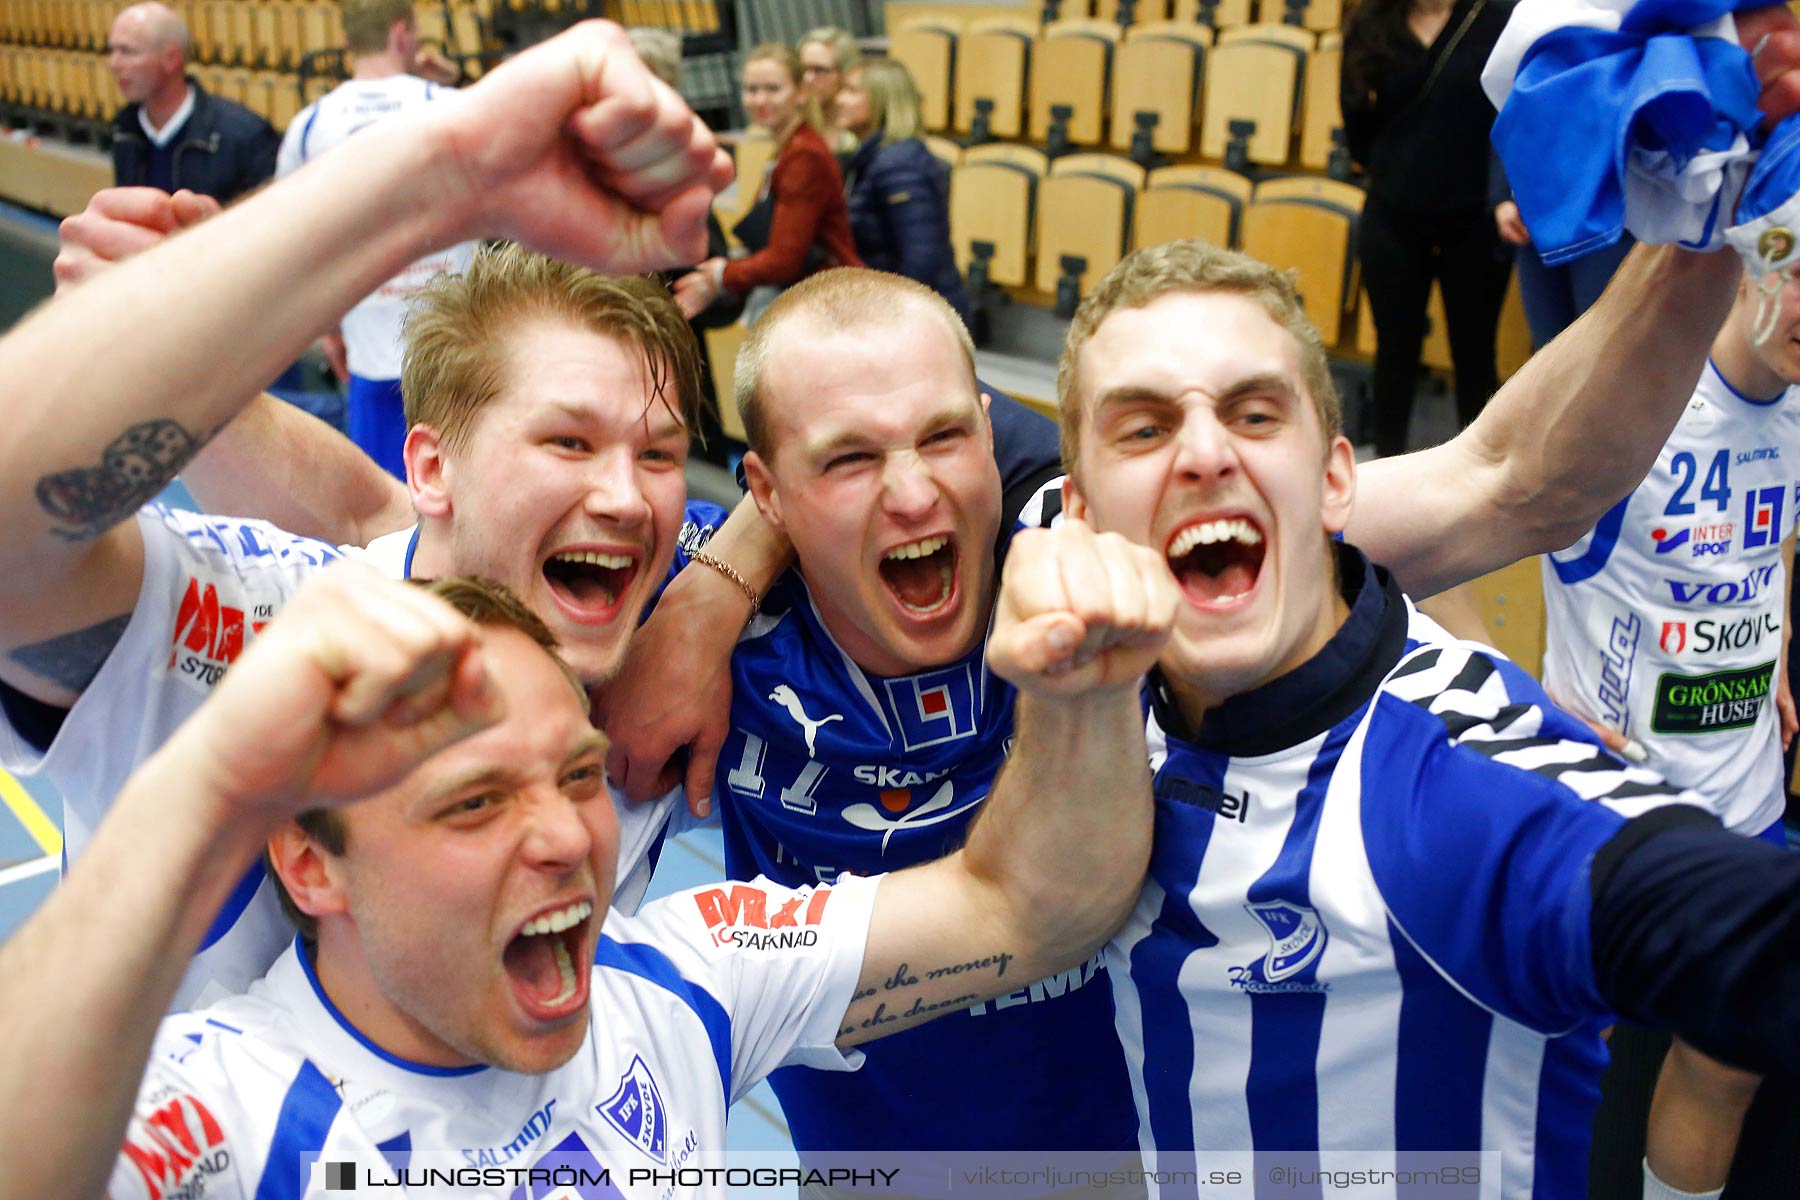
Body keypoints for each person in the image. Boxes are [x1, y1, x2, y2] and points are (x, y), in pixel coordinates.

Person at [0, 547, 1170, 1200]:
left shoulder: (679, 983)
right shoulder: (233, 1108)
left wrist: (1090, 690)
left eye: (573, 775)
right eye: (473, 802)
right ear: (310, 863)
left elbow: (1027, 905)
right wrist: (203, 787)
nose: (567, 838)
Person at [0, 19, 742, 1009]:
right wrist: (170, 323)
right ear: (436, 468)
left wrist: (728, 586)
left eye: (657, 454)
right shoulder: (261, 631)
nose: (624, 494)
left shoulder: (675, 595)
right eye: (568, 442)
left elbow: (847, 470)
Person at [1050, 236, 1800, 1187]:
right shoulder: (1069, 670)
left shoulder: (1459, 774)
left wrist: (1696, 233)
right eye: (1145, 428)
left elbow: (1713, 913)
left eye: (1253, 412)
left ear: (1335, 481)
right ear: (1072, 515)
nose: (1204, 453)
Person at [1540, 272, 1800, 1200]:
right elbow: (1444, 543)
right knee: (1563, 1064)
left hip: (1746, 803)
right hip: (1607, 811)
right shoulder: (1625, 403)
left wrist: (1771, 644)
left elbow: (1771, 537)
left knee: (1724, 1068)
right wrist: (1519, 696)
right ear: (1747, 261)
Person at [275, 0, 476, 479]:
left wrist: (328, 327)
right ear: (403, 33)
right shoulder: (450, 105)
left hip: (370, 352)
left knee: (381, 520)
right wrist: (457, 82)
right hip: (456, 350)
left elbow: (296, 241)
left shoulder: (310, 126)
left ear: (348, 42)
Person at [1341, 0, 1515, 456]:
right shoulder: (1372, 23)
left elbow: (1511, 109)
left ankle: (1480, 478)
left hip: (1474, 218)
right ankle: (1385, 471)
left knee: (1474, 354)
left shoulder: (1496, 15)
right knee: (1393, 352)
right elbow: (1355, 115)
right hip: (1393, 214)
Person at [673, 44, 861, 323]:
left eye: (772, 89)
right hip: (809, 299)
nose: (759, 100)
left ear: (800, 93)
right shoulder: (787, 148)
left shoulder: (804, 155)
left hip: (826, 304)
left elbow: (785, 261)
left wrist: (721, 274)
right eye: (751, 89)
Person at [835, 58, 971, 321]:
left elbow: (920, 256)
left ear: (882, 100)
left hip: (914, 318)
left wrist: (893, 320)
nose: (839, 99)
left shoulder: (899, 164)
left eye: (851, 91)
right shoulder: (873, 158)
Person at [106, 2, 278, 204]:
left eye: (128, 51)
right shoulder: (124, 129)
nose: (114, 64)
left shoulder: (245, 135)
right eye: (112, 50)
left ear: (171, 59)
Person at [798, 25, 863, 157]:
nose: (807, 78)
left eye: (819, 70)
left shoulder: (861, 129)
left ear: (845, 73)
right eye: (802, 69)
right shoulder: (790, 126)